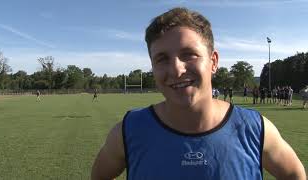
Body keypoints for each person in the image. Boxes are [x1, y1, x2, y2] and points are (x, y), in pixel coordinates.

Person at [91, 7, 306, 180]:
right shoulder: (128, 131)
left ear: (213, 62)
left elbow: (294, 174)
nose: (176, 69)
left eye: (189, 54)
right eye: (162, 58)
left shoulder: (256, 128)